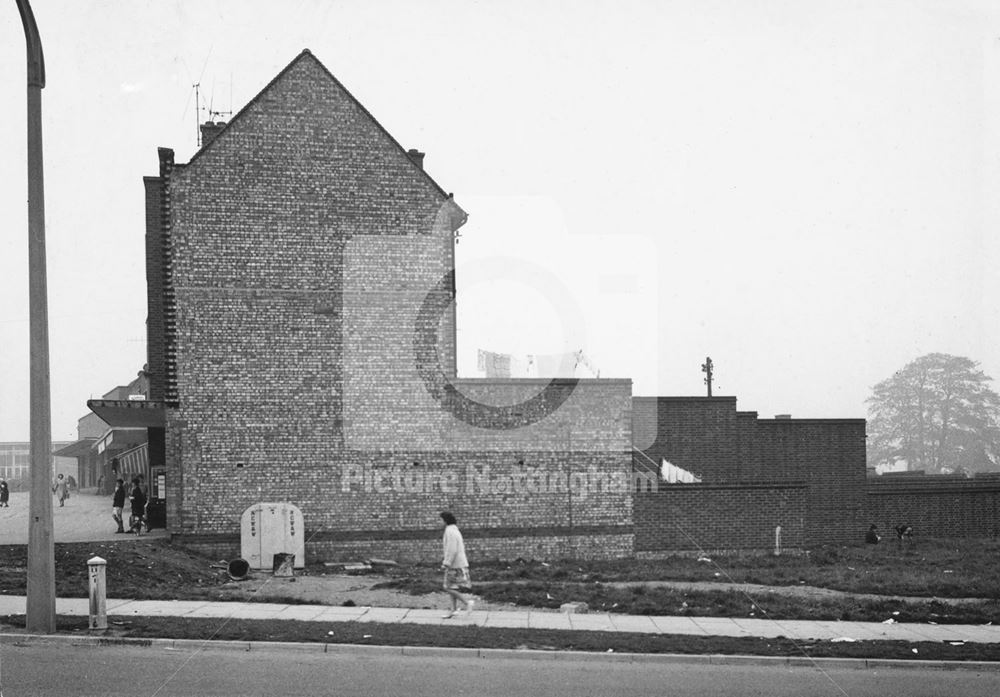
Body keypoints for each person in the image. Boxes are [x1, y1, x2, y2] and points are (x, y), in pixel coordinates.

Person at [440, 511, 474, 618]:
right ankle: (453, 610)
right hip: (458, 564)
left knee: (447, 587)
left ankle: (467, 603)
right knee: (453, 587)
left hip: (454, 565)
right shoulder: (454, 530)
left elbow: (452, 549)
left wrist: (446, 563)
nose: (439, 522)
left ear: (445, 520)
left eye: (440, 519)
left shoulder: (450, 531)